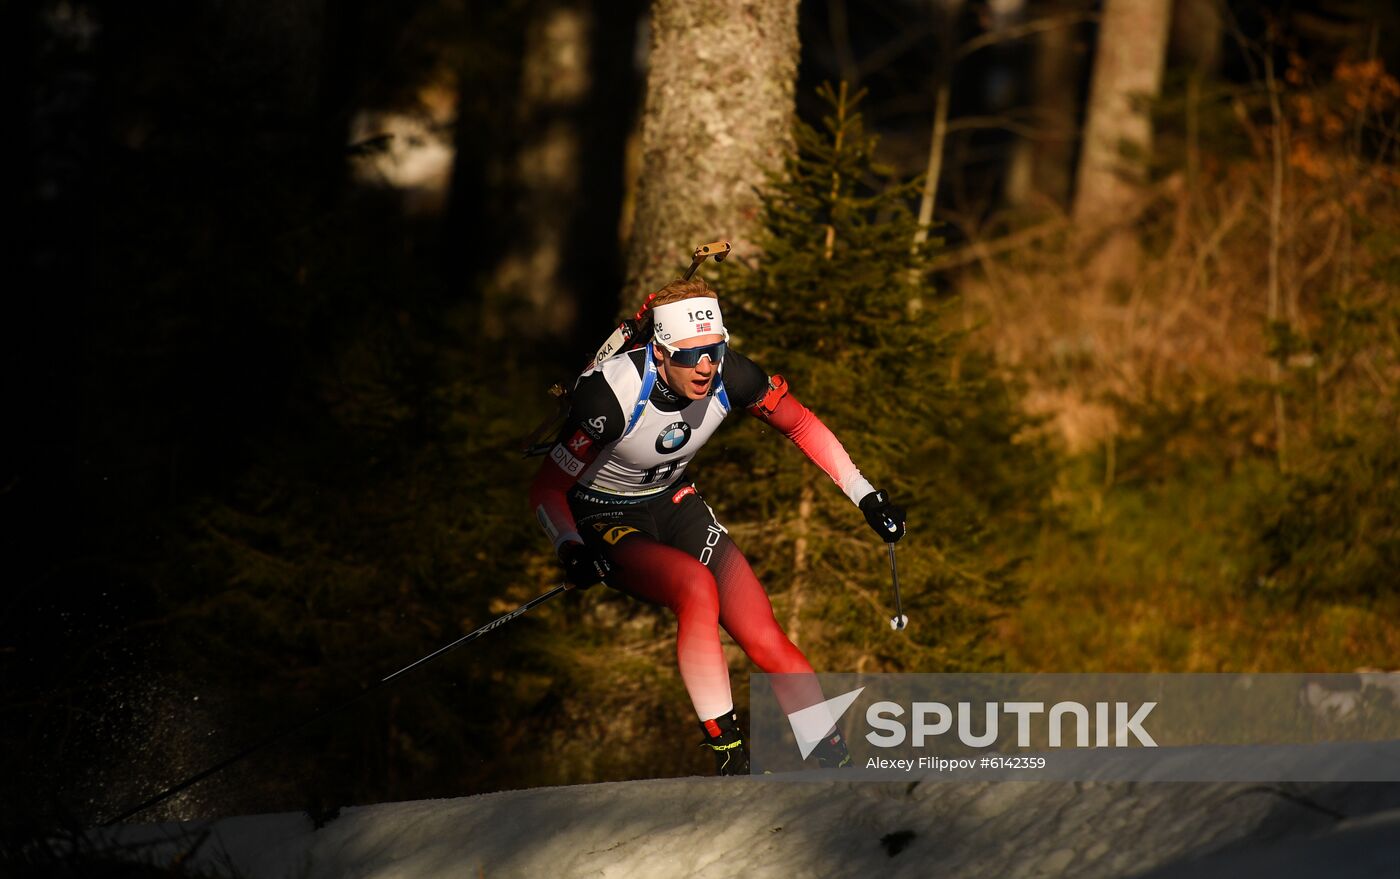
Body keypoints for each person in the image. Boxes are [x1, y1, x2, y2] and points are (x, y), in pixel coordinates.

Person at [529, 277, 905, 775]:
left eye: (714, 349)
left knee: (762, 631)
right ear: (659, 353)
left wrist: (866, 495)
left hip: (674, 502)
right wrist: (570, 547)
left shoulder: (734, 375)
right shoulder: (609, 398)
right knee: (695, 588)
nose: (705, 367)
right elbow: (546, 490)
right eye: (690, 356)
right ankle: (729, 756)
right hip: (605, 517)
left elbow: (800, 424)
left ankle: (834, 762)